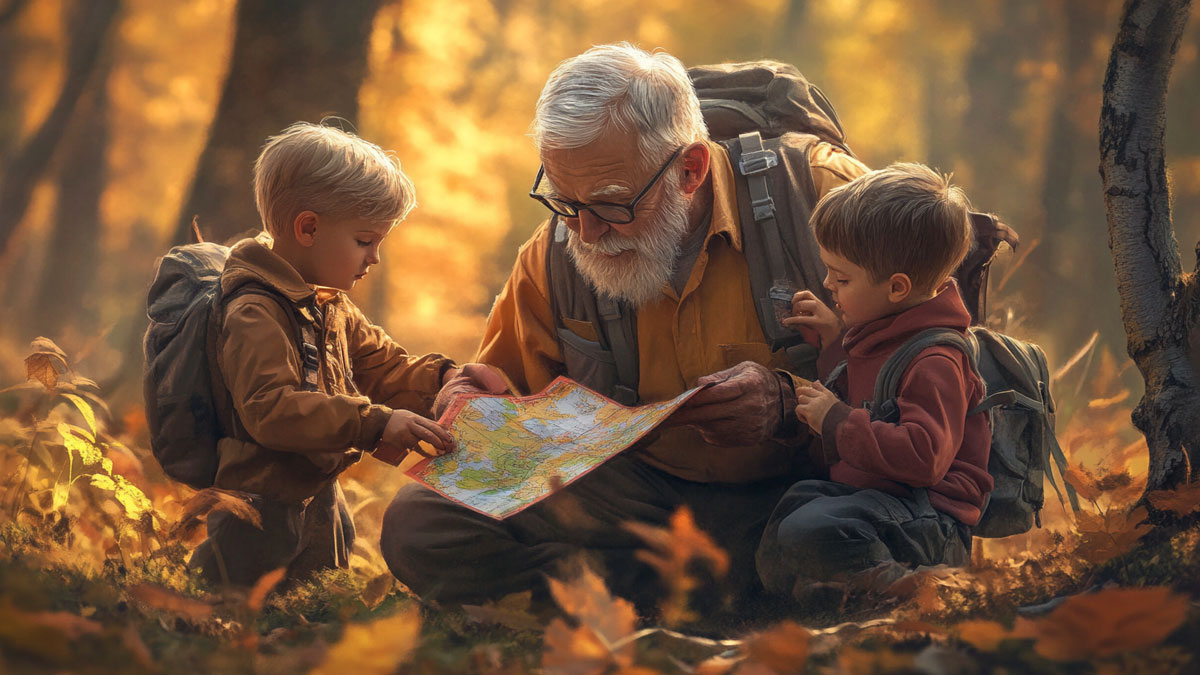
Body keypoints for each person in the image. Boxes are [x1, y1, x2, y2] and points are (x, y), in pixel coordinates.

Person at [379, 43, 869, 611]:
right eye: (564, 202)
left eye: (611, 204)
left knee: (843, 533)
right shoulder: (552, 255)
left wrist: (790, 405)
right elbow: (505, 406)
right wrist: (472, 407)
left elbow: (932, 372)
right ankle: (705, 599)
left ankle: (717, 592)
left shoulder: (824, 196)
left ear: (691, 168)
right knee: (422, 524)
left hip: (804, 493)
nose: (584, 232)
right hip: (639, 505)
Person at [189, 122, 504, 586]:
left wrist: (445, 379)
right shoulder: (255, 310)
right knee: (238, 600)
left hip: (316, 490)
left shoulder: (328, 305)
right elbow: (270, 409)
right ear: (309, 228)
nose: (374, 257)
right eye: (365, 241)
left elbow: (385, 366)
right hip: (258, 504)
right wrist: (374, 422)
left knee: (320, 600)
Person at [756, 163, 993, 601]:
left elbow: (924, 457)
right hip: (882, 500)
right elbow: (873, 391)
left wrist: (838, 421)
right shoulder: (887, 327)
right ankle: (832, 600)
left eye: (841, 278)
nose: (827, 284)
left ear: (898, 287)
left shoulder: (936, 358)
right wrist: (833, 342)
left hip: (929, 517)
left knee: (813, 527)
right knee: (791, 509)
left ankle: (915, 596)